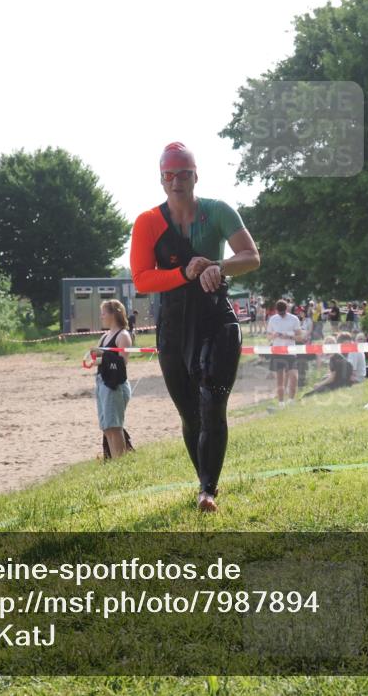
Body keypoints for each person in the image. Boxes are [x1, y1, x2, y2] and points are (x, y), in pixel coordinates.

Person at [130, 142, 260, 512]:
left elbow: (251, 256)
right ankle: (204, 481)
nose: (176, 182)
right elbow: (142, 279)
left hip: (215, 316)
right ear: (161, 179)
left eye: (183, 174)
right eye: (169, 175)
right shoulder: (148, 222)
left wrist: (219, 266)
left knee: (213, 402)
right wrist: (184, 273)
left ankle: (208, 490)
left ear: (195, 176)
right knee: (190, 413)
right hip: (173, 324)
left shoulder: (218, 211)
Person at [94, 300, 134, 460]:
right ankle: (113, 460)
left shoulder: (123, 336)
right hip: (101, 382)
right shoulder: (104, 336)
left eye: (104, 313)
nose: (101, 316)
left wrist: (103, 356)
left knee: (115, 426)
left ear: (113, 314)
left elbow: (122, 364)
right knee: (106, 427)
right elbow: (98, 361)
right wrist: (94, 357)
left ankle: (120, 461)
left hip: (115, 385)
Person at [266, 300, 302, 407]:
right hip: (277, 351)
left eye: (283, 312)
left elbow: (300, 337)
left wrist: (289, 336)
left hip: (291, 352)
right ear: (276, 310)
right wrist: (274, 335)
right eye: (279, 312)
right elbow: (268, 337)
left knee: (294, 377)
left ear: (287, 309)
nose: (281, 314)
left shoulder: (294, 319)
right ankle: (281, 402)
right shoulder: (273, 319)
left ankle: (291, 400)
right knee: (280, 379)